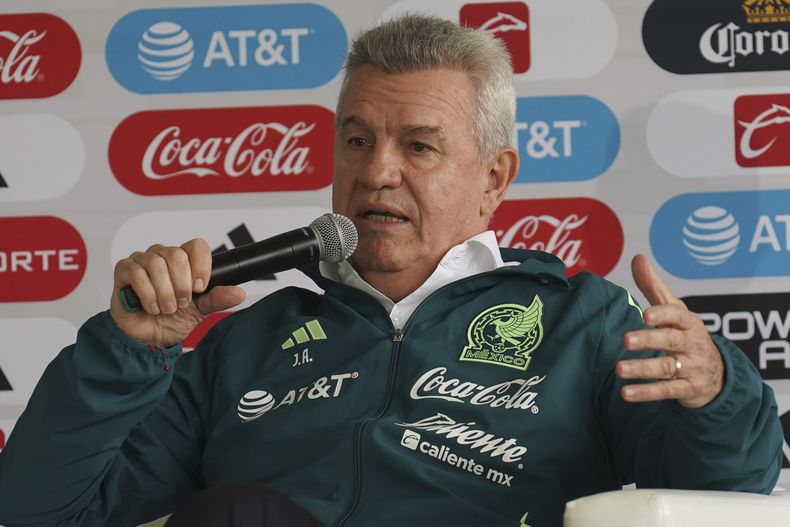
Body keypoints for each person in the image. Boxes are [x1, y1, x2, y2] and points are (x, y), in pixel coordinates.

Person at [0, 14, 782, 527]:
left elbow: (724, 495)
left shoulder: (585, 319)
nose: (376, 173)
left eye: (418, 145)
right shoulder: (244, 344)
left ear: (494, 179)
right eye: (356, 141)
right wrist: (127, 349)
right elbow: (37, 509)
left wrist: (714, 394)